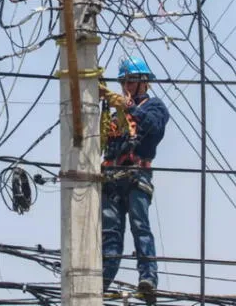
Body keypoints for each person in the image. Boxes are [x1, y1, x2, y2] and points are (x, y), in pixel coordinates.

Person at [99, 56, 170, 300]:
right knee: (110, 235)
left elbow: (154, 127)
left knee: (140, 228)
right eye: (124, 82)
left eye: (131, 81)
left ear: (143, 82)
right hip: (110, 178)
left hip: (137, 175)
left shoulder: (155, 107)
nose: (126, 86)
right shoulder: (115, 112)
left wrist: (130, 108)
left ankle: (147, 279)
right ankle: (100, 285)